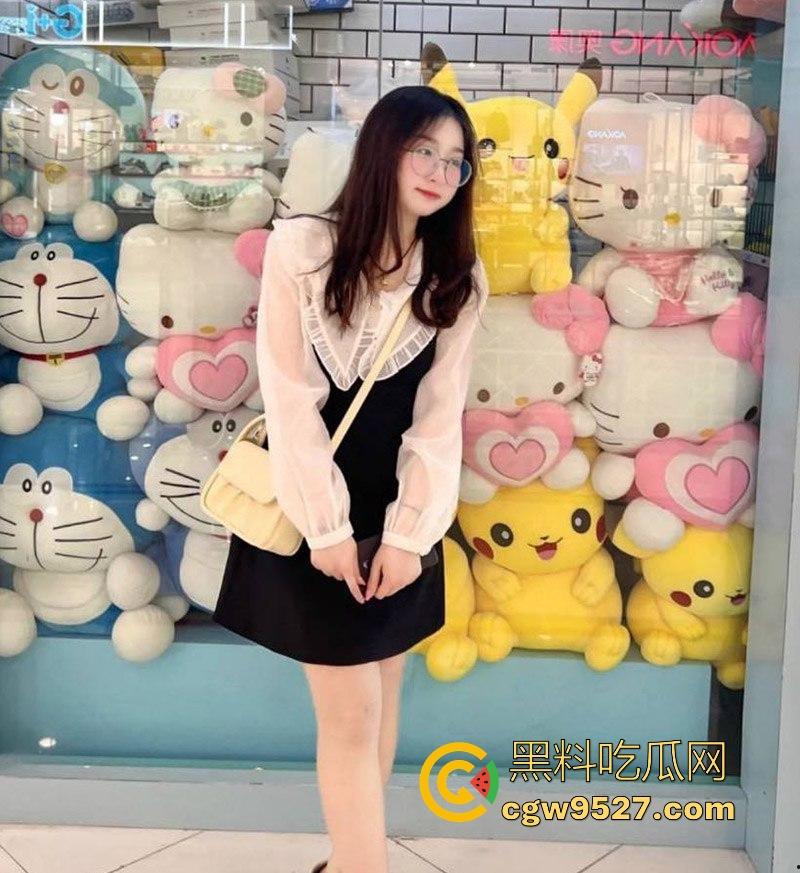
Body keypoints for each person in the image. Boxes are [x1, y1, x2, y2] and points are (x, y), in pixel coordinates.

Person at [212, 84, 488, 873]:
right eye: (423, 149)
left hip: (398, 513)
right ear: (383, 149)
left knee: (383, 695)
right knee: (352, 711)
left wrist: (407, 536)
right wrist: (328, 529)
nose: (439, 171)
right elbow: (288, 396)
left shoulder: (456, 274)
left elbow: (439, 419)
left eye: (455, 161)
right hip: (312, 507)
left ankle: (350, 860)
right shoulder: (302, 248)